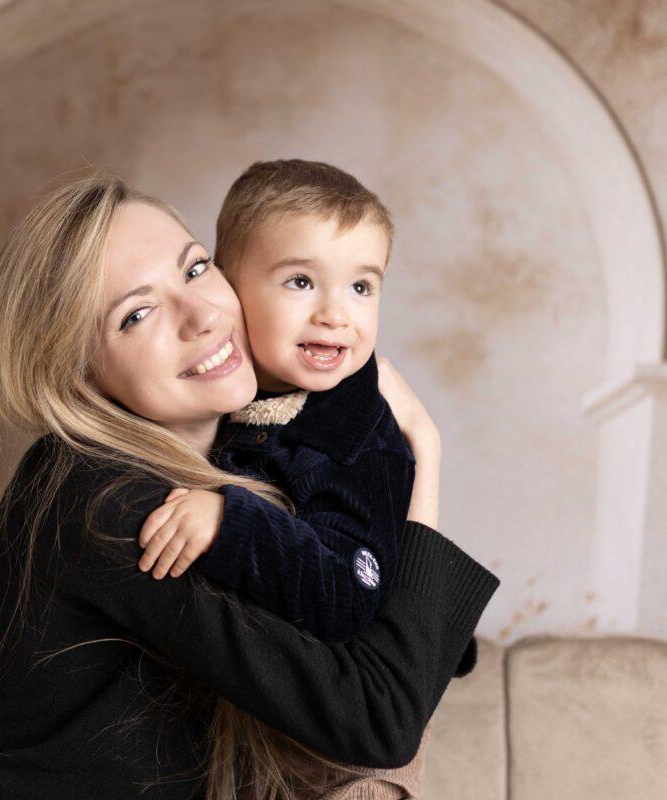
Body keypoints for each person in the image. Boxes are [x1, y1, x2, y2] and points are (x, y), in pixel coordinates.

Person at [0, 172, 500, 800]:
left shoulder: (251, 462)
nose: (203, 316)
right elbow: (378, 718)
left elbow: (376, 640)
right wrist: (425, 455)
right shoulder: (111, 501)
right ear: (76, 372)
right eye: (137, 314)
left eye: (196, 269)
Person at [133, 159, 476, 798]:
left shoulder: (356, 438)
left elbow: (346, 597)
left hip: (342, 767)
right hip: (252, 735)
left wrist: (230, 521)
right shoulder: (237, 404)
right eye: (300, 281)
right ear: (229, 288)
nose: (335, 315)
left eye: (362, 287)